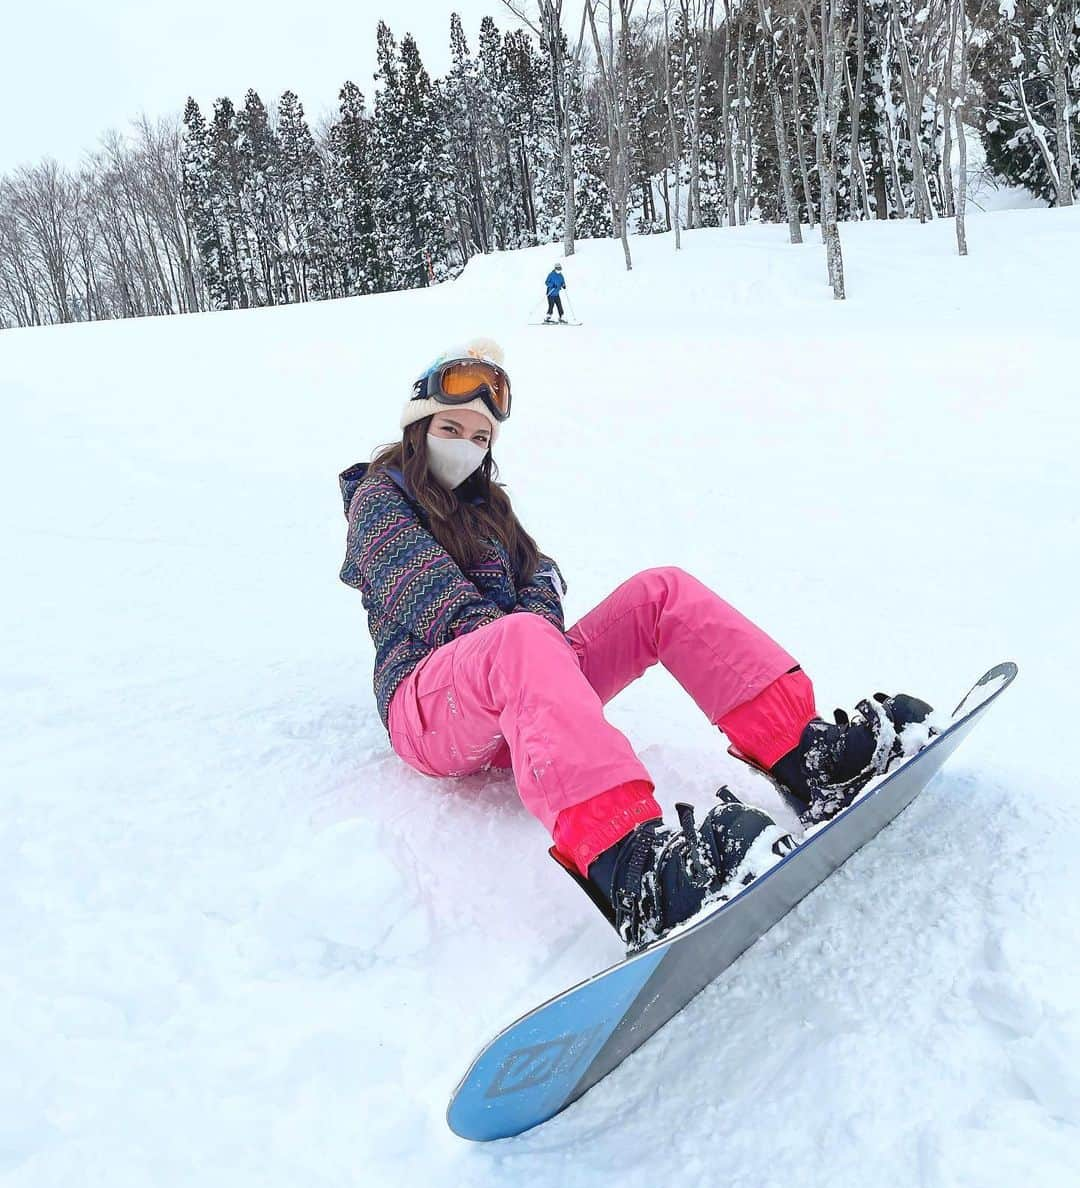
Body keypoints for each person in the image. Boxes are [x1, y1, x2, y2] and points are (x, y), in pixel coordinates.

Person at [339, 340, 933, 951]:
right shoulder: (378, 500)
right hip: (430, 710)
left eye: (481, 437)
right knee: (517, 638)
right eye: (451, 428)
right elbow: (439, 601)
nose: (466, 446)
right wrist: (530, 639)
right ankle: (633, 867)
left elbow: (540, 574)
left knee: (661, 592)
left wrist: (539, 640)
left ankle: (801, 753)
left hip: (522, 690)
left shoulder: (492, 507)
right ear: (417, 428)